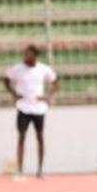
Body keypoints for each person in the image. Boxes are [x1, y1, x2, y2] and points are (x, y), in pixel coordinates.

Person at [4, 45, 59, 179]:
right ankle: (20, 170)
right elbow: (6, 80)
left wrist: (48, 96)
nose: (26, 57)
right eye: (25, 54)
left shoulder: (43, 69)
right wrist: (13, 94)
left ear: (35, 55)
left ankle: (40, 169)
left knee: (40, 137)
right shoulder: (18, 68)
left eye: (29, 54)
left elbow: (55, 82)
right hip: (23, 107)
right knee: (21, 137)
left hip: (38, 108)